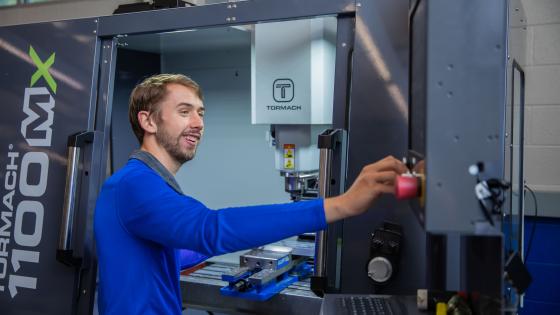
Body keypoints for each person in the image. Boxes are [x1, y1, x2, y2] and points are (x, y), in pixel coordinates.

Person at [94, 74, 407, 315]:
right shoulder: (134, 185)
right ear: (147, 120)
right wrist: (340, 205)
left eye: (201, 113)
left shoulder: (138, 181)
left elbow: (173, 252)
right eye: (184, 111)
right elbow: (207, 229)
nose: (199, 123)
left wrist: (258, 234)